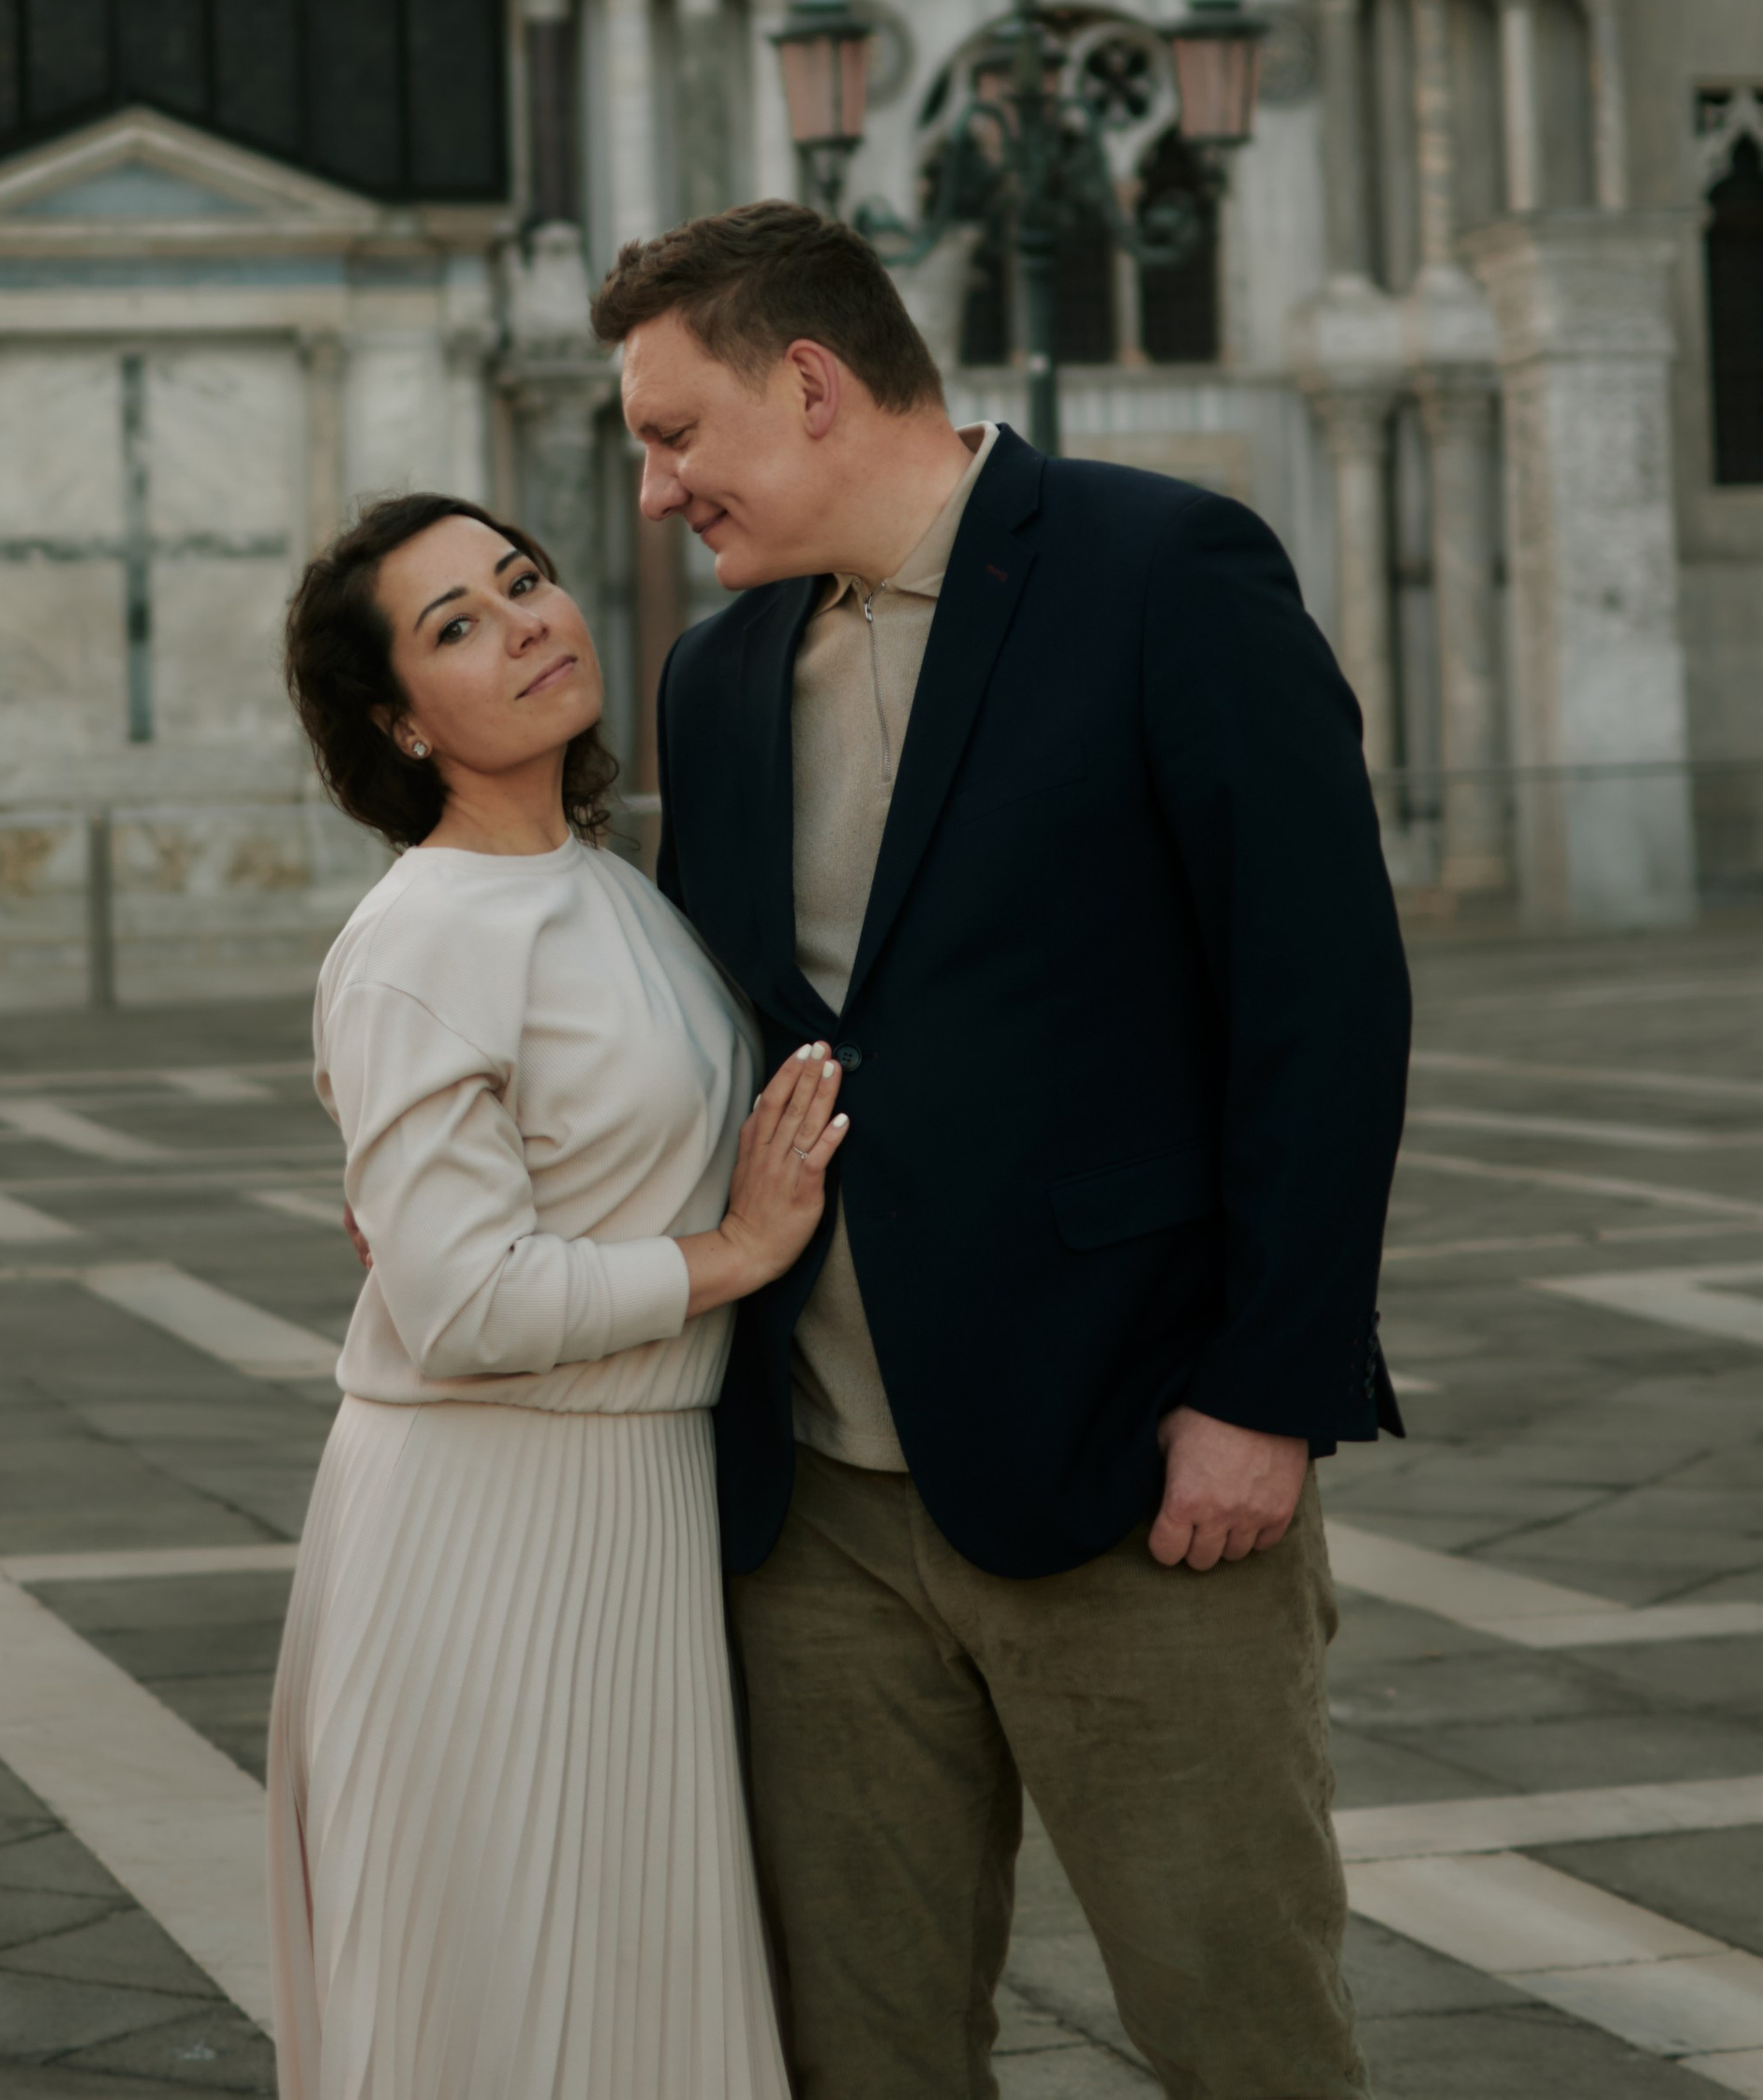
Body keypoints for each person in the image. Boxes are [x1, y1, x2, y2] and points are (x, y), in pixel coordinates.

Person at [594, 200, 1412, 2100]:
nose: (653, 494)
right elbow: (699, 1023)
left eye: (672, 433)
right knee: (860, 2057)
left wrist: (1263, 1394)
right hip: (806, 1516)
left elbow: (1318, 1004)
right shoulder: (712, 686)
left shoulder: (1159, 570)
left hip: (1137, 1473)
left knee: (1240, 2034)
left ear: (805, 385)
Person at [270, 490, 840, 2100]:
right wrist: (730, 1254)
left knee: (637, 1997)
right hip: (483, 1526)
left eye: (521, 581)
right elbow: (458, 1305)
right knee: (507, 2007)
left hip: (633, 1506)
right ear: (397, 720)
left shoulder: (615, 885)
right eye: (456, 624)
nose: (525, 623)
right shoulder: (421, 937)